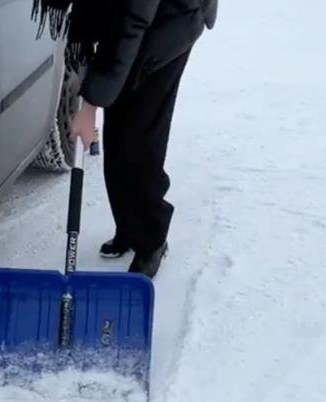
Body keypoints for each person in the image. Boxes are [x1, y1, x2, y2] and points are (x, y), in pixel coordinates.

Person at [33, 0, 217, 278]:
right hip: (134, 18)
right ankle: (131, 226)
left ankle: (152, 239)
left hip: (171, 24)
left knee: (140, 139)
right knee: (118, 133)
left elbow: (132, 24)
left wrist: (91, 105)